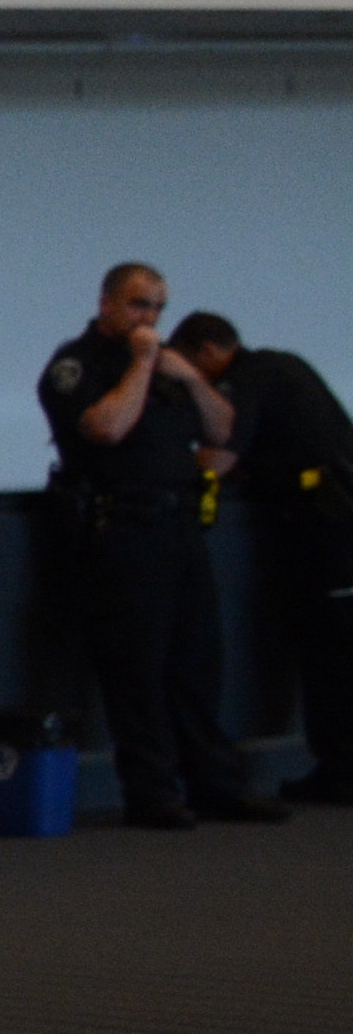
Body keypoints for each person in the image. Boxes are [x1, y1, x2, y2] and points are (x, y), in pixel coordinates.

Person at [42, 262, 277, 827]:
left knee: (197, 664)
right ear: (106, 303)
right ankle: (152, 793)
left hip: (181, 528)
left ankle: (215, 785)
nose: (149, 318)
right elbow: (106, 428)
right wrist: (143, 365)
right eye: (138, 304)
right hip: (124, 529)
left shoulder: (173, 369)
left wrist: (190, 377)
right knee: (138, 668)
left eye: (157, 307)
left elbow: (222, 430)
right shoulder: (79, 364)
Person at [176, 311, 353, 796]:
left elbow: (218, 456)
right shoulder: (282, 368)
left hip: (327, 526)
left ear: (207, 351)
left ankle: (342, 769)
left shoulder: (247, 378)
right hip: (329, 519)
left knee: (331, 649)